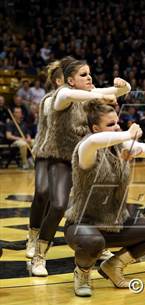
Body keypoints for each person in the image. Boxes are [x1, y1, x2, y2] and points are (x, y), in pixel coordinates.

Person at [30, 58, 131, 276]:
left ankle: (101, 245)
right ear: (69, 80)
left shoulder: (89, 93)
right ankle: (38, 254)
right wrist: (100, 94)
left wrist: (124, 86)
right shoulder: (60, 96)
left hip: (83, 157)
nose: (89, 77)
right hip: (58, 157)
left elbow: (119, 90)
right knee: (56, 204)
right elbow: (70, 95)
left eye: (89, 73)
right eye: (83, 74)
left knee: (94, 199)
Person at [64, 103, 145, 297]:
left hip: (117, 223)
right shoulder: (86, 147)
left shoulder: (121, 145)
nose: (116, 127)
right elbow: (95, 142)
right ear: (95, 128)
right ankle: (82, 273)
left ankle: (114, 265)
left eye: (118, 123)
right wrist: (128, 135)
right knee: (93, 242)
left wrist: (137, 151)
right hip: (83, 225)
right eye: (111, 124)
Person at [26, 60, 63, 259]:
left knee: (57, 200)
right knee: (41, 192)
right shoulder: (50, 99)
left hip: (65, 154)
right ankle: (32, 236)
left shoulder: (80, 98)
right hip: (45, 150)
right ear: (59, 81)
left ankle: (43, 237)